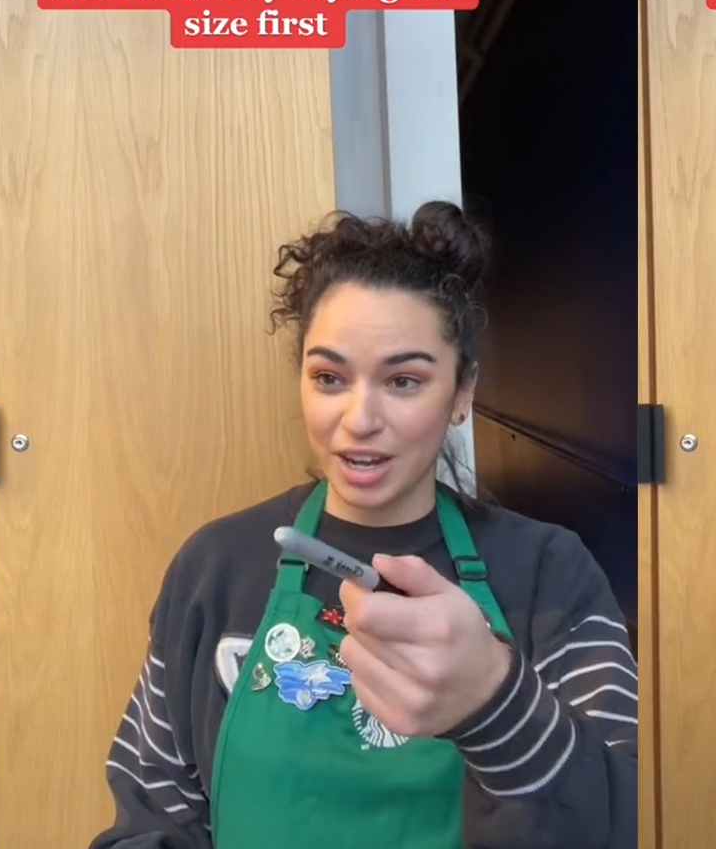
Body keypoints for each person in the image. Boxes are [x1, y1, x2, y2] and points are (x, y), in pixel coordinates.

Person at [89, 202, 641, 849]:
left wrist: (497, 700)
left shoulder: (550, 572)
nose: (358, 419)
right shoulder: (215, 567)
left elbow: (619, 821)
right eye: (329, 378)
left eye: (404, 381)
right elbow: (154, 812)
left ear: (463, 393)